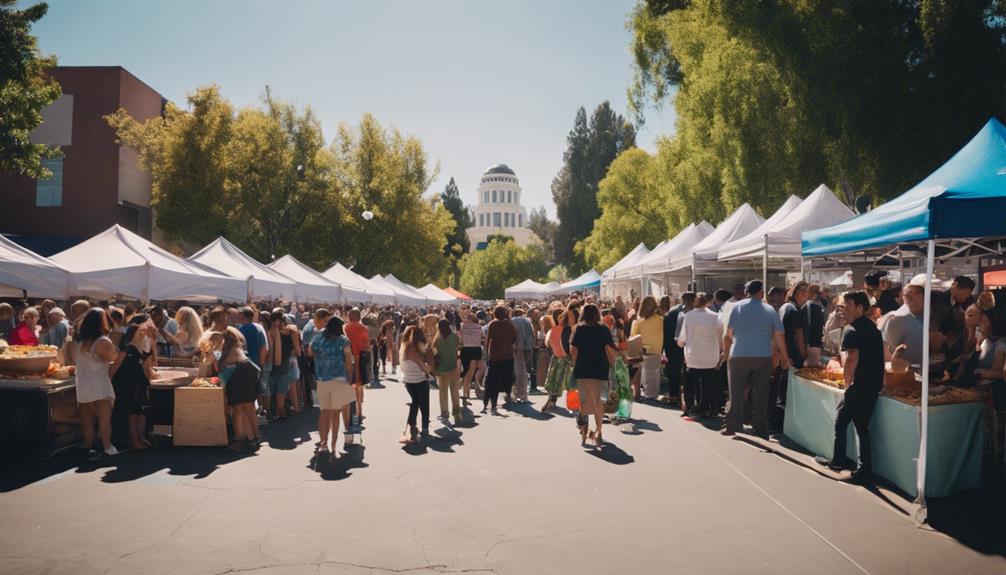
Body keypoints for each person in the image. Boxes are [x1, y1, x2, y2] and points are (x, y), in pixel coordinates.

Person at [822, 291, 884, 483]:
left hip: (858, 385)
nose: (843, 309)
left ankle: (843, 463)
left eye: (847, 305)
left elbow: (851, 359)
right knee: (861, 426)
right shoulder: (873, 328)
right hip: (873, 384)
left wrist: (847, 384)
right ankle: (859, 466)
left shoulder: (852, 329)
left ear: (859, 308)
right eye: (841, 305)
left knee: (841, 422)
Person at [722, 280, 790, 438]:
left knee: (736, 393)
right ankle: (761, 430)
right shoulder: (769, 309)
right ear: (761, 292)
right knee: (761, 395)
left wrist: (726, 353)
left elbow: (728, 334)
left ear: (746, 292)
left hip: (739, 355)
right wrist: (785, 357)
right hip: (762, 356)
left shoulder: (737, 307)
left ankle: (732, 426)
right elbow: (779, 335)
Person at [74, 308, 119, 459]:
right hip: (100, 385)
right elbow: (115, 357)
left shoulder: (79, 342)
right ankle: (107, 447)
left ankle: (90, 448)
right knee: (104, 420)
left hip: (83, 385)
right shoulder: (103, 341)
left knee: (87, 422)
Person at [569, 304, 616, 447]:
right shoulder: (603, 329)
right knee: (598, 401)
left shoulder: (578, 329)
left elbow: (574, 350)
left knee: (583, 401)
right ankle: (599, 431)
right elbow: (610, 348)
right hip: (600, 369)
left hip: (583, 369)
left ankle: (584, 433)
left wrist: (575, 365)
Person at [310, 316, 356, 458]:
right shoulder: (344, 341)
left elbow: (310, 352)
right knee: (335, 414)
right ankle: (334, 445)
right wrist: (350, 378)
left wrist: (320, 358)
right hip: (340, 379)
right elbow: (349, 362)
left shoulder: (317, 338)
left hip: (322, 379)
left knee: (324, 412)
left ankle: (323, 443)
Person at [111, 315, 156, 450]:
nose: (143, 333)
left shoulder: (139, 350)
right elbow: (115, 367)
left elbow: (148, 366)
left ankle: (139, 439)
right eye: (140, 331)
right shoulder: (128, 349)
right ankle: (135, 441)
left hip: (137, 384)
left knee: (137, 411)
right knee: (132, 413)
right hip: (128, 385)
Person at [677, 293, 723, 418]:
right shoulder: (715, 317)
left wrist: (681, 344)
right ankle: (704, 407)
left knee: (690, 383)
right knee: (707, 383)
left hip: (693, 356)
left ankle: (690, 407)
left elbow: (682, 340)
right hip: (710, 357)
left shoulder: (688, 316)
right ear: (707, 303)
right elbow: (720, 337)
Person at [216, 326, 261, 452]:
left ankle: (241, 439)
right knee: (247, 408)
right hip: (248, 375)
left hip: (240, 377)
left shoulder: (227, 351)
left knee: (237, 410)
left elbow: (222, 372)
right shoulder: (237, 348)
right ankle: (253, 437)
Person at [399, 325, 432, 443]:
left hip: (408, 380)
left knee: (415, 402)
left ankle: (412, 426)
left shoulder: (403, 346)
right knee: (424, 404)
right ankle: (424, 428)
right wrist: (428, 370)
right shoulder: (416, 348)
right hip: (420, 380)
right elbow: (423, 367)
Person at [883, 278, 926, 367]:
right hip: (907, 371)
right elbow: (886, 349)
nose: (909, 298)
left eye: (915, 293)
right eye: (906, 295)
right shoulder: (897, 319)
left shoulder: (935, 314)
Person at [484, 305, 517, 414]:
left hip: (495, 356)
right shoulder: (509, 324)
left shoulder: (492, 324)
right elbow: (515, 338)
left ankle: (493, 404)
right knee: (508, 377)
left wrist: (486, 354)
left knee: (494, 381)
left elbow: (488, 340)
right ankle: (508, 394)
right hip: (508, 356)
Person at [663, 293, 694, 406]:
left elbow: (666, 333)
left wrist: (665, 349)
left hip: (673, 347)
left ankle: (674, 396)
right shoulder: (693, 312)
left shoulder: (672, 312)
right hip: (689, 347)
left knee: (674, 373)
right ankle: (688, 398)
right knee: (688, 374)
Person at [630, 296, 663, 400]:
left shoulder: (639, 322)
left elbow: (633, 336)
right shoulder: (661, 320)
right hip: (656, 349)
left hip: (642, 349)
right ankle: (652, 394)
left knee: (643, 372)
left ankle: (644, 392)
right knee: (654, 373)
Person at [433, 318, 462, 424]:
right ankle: (457, 413)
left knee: (443, 392)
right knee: (454, 391)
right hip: (453, 367)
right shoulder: (454, 337)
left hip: (441, 369)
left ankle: (445, 413)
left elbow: (434, 351)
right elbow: (459, 348)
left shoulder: (437, 339)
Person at [344, 308, 371, 425]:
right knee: (360, 387)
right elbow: (367, 346)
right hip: (361, 360)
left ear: (349, 317)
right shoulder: (364, 329)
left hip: (348, 360)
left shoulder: (345, 328)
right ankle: (360, 411)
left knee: (350, 386)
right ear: (359, 318)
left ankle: (353, 412)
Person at [459, 312, 484, 401]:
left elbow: (460, 339)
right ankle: (469, 389)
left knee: (467, 371)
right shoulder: (479, 327)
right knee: (476, 370)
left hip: (466, 350)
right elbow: (482, 336)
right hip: (476, 350)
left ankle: (466, 393)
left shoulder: (462, 326)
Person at [512, 308, 535, 404]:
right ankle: (523, 394)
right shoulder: (526, 321)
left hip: (513, 349)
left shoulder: (511, 321)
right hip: (523, 348)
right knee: (522, 372)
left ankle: (513, 393)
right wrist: (529, 349)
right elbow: (531, 336)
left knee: (514, 371)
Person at [804, 284, 826, 367]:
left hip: (811, 341)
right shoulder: (814, 306)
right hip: (814, 341)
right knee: (812, 366)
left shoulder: (807, 306)